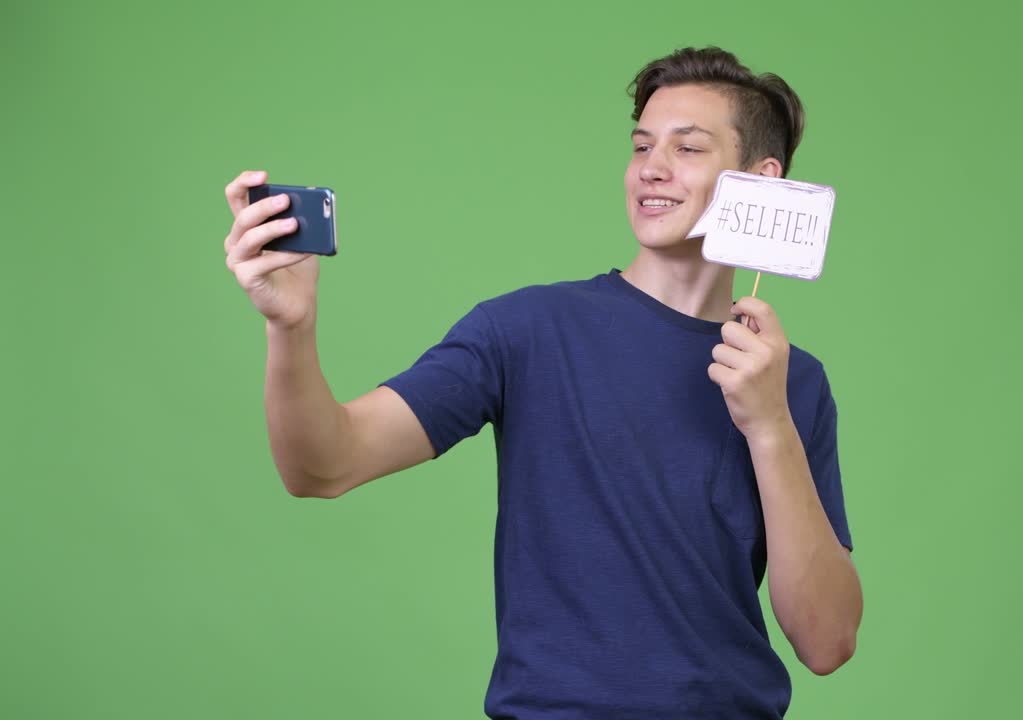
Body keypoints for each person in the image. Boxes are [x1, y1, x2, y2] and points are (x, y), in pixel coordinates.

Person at [222, 46, 863, 720]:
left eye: (688, 148)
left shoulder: (792, 382)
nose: (652, 169)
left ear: (761, 181)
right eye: (642, 145)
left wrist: (770, 425)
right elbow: (323, 466)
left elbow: (828, 641)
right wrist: (290, 329)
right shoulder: (525, 331)